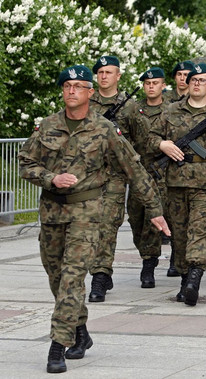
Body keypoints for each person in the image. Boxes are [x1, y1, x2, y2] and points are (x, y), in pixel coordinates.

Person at [18, 65, 170, 373]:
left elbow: (133, 168)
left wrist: (154, 209)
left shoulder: (104, 130)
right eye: (67, 86)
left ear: (90, 92)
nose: (71, 91)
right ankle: (81, 331)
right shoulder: (46, 126)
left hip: (87, 214)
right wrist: (50, 178)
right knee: (58, 279)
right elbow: (25, 163)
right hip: (52, 213)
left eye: (78, 86)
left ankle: (57, 345)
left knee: (73, 277)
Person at [149, 62, 206, 306]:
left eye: (203, 80)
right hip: (176, 182)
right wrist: (162, 145)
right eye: (193, 80)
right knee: (180, 235)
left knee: (199, 232)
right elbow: (149, 137)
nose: (197, 84)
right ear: (188, 84)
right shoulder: (170, 111)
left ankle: (194, 279)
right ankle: (184, 278)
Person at [88, 55, 148, 302]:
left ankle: (100, 276)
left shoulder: (130, 106)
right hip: (87, 176)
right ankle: (99, 268)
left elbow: (141, 140)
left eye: (109, 72)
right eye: (100, 72)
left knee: (107, 225)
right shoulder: (86, 102)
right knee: (89, 226)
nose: (104, 76)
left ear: (118, 75)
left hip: (114, 176)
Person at [126, 67, 172, 288]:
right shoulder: (134, 110)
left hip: (162, 172)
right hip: (139, 171)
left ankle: (149, 264)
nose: (151, 86)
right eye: (147, 83)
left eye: (155, 83)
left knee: (153, 219)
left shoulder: (172, 110)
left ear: (163, 85)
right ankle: (145, 252)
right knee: (135, 218)